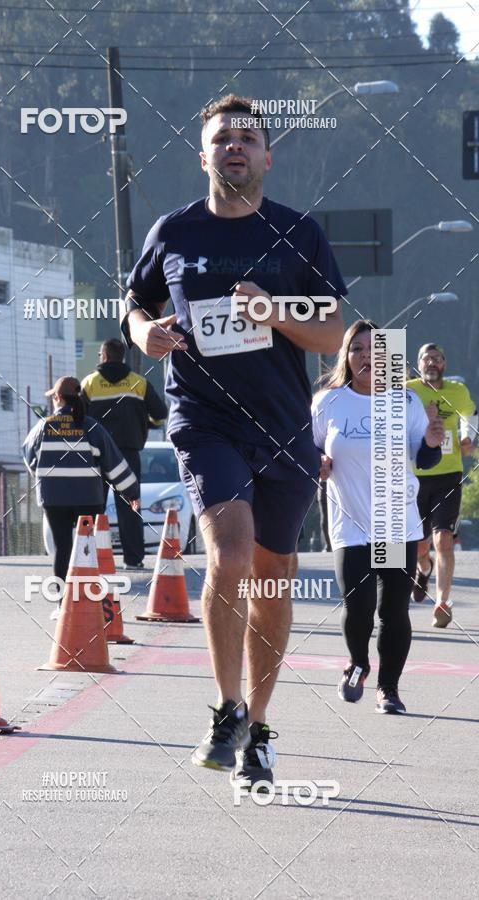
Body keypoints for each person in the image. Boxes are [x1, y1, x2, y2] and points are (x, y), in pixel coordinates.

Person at [120, 93, 345, 790]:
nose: (235, 147)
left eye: (247, 138)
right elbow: (134, 303)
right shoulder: (174, 231)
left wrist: (274, 313)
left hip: (283, 427)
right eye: (223, 139)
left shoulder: (299, 233)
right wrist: (143, 333)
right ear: (204, 156)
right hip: (204, 419)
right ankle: (226, 710)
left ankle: (259, 729)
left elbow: (333, 332)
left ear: (268, 157)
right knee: (231, 552)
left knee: (273, 579)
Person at [312, 320, 444, 713]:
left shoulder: (405, 402)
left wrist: (432, 444)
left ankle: (389, 689)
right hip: (350, 523)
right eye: (357, 349)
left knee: (393, 611)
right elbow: (308, 450)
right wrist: (316, 463)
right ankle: (358, 663)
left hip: (395, 521)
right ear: (346, 356)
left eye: (375, 349)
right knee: (358, 606)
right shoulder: (328, 402)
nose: (366, 356)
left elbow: (424, 458)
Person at [23, 375, 140, 618]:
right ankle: (91, 604)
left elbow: (28, 455)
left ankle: (63, 606)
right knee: (88, 549)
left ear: (57, 398)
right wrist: (131, 492)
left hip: (54, 499)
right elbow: (113, 463)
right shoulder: (91, 426)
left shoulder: (44, 426)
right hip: (89, 498)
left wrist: (44, 475)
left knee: (62, 548)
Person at [81, 339, 167, 569]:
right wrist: (145, 424)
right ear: (122, 357)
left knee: (93, 506)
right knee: (131, 505)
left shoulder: (89, 383)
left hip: (96, 455)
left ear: (105, 356)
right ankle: (133, 559)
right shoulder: (138, 383)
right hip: (127, 453)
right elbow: (160, 414)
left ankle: (88, 558)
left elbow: (78, 419)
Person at [407, 344, 476, 627]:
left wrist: (468, 437)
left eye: (437, 359)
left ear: (444, 364)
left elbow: (470, 414)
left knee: (443, 538)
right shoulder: (408, 391)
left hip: (449, 474)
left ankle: (442, 603)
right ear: (419, 364)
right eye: (426, 359)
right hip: (415, 475)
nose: (432, 363)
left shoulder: (457, 391)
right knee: (419, 547)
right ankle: (424, 569)